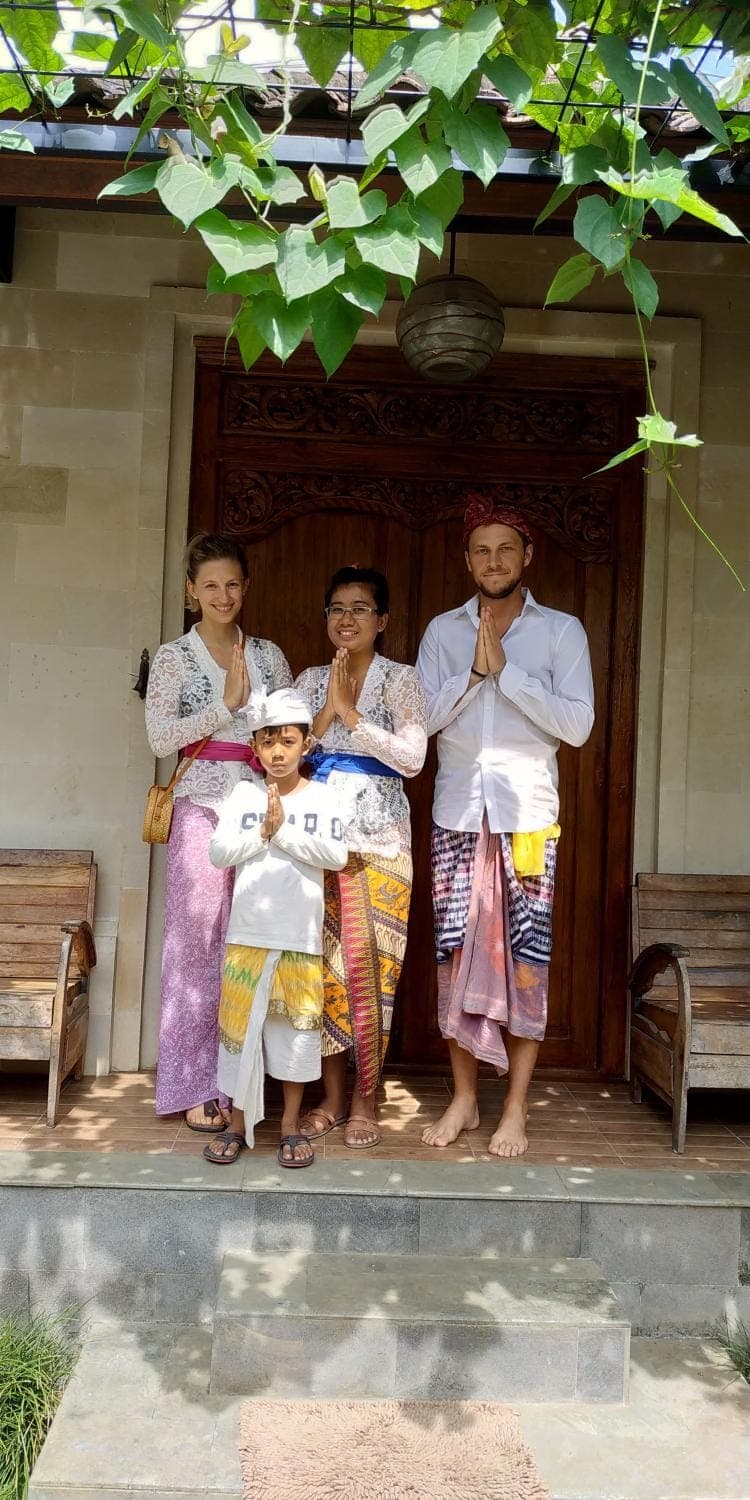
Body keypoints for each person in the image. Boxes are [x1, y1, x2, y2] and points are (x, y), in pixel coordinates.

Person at [416, 494, 594, 1158]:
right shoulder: (442, 632)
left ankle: (514, 1107)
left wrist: (509, 675)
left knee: (527, 959)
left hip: (527, 817)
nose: (494, 561)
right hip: (458, 814)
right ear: (467, 560)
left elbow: (577, 727)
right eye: (482, 550)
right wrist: (471, 673)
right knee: (452, 956)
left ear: (527, 556)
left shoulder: (561, 632)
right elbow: (421, 724)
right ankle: (463, 1098)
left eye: (506, 548)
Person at [145, 533, 291, 1131]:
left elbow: (290, 728)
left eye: (232, 583)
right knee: (196, 949)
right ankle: (194, 1085)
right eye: (210, 585)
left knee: (253, 946)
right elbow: (159, 740)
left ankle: (246, 1081)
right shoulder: (173, 659)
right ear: (190, 590)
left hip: (261, 809)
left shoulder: (271, 656)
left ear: (246, 586)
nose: (222, 595)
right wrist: (223, 704)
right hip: (200, 808)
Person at [295, 566, 428, 1149]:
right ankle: (330, 1097)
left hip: (382, 844)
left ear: (383, 621)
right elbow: (288, 757)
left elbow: (413, 758)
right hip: (319, 842)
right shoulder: (306, 679)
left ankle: (367, 1099)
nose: (346, 619)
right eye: (336, 608)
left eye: (359, 609)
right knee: (326, 973)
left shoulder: (402, 680)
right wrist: (326, 708)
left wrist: (351, 714)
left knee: (374, 973)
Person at [203, 689, 348, 1168]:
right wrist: (261, 832)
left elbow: (337, 856)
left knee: (294, 1034)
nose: (279, 752)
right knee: (241, 1032)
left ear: (306, 745)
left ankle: (288, 1124)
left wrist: (282, 830)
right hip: (247, 934)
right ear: (256, 747)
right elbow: (219, 853)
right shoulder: (242, 795)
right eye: (269, 743)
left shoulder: (322, 798)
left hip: (298, 939)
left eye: (288, 741)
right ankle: (239, 1122)